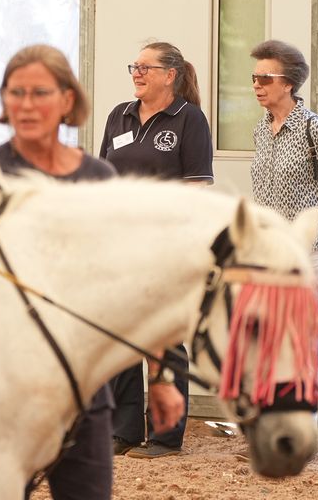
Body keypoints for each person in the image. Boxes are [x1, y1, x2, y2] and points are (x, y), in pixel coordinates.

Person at [0, 44, 185, 498]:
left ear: (67, 100)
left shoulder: (96, 178)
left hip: (82, 394)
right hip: (1, 393)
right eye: (16, 93)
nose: (27, 104)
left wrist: (164, 377)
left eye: (40, 92)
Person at [99, 41, 213, 459]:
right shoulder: (119, 115)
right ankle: (125, 430)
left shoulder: (189, 120)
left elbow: (196, 188)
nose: (137, 73)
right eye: (134, 66)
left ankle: (165, 436)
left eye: (145, 67)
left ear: (171, 75)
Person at [249, 39, 318, 305]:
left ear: (288, 83)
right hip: (267, 255)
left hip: (307, 254)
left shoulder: (314, 129)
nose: (257, 84)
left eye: (266, 78)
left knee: (301, 341)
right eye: (255, 77)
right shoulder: (260, 130)